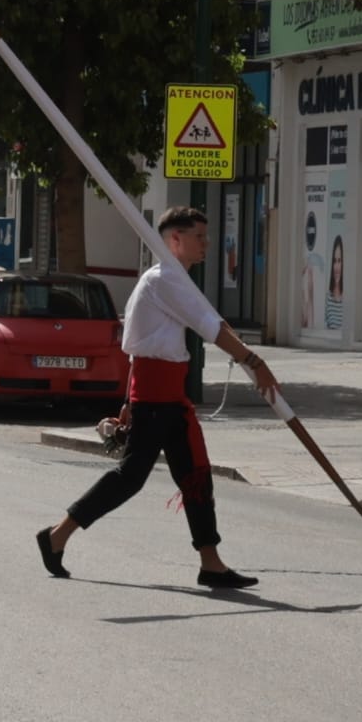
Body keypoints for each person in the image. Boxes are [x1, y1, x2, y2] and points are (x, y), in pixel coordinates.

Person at [37, 207, 278, 588]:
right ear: (174, 240)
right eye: (199, 236)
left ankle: (211, 563)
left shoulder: (172, 279)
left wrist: (130, 399)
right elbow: (210, 328)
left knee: (195, 476)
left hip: (166, 395)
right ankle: (57, 535)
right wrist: (254, 361)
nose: (207, 244)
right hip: (155, 398)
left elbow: (155, 340)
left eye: (206, 236)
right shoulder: (165, 279)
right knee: (130, 478)